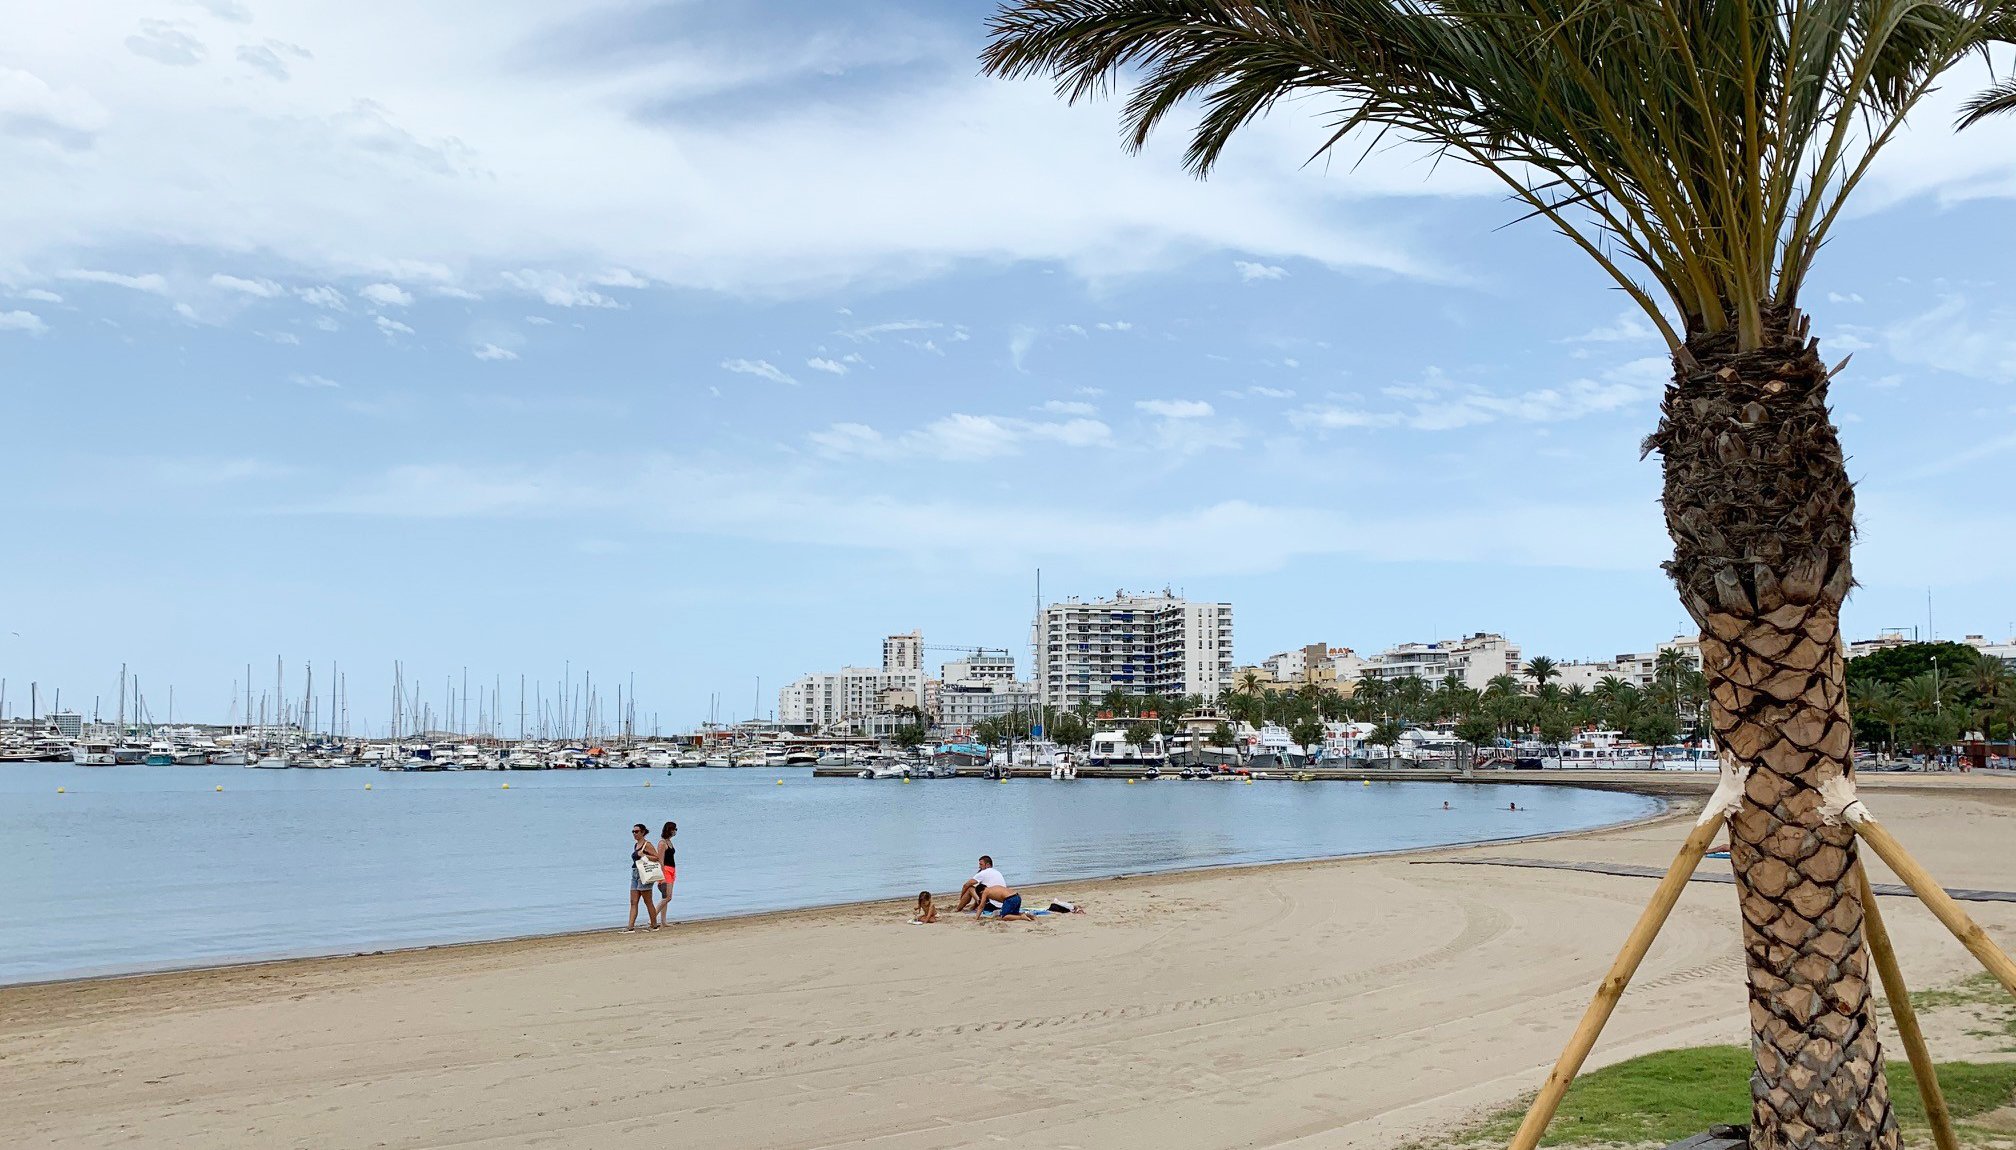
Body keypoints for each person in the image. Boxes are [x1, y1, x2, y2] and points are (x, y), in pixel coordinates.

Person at [628, 823, 662, 932]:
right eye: (633, 832)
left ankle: (654, 925)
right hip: (635, 873)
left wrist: (645, 855)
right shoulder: (636, 845)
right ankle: (630, 927)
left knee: (648, 901)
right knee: (633, 901)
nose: (634, 834)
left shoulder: (647, 844)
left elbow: (656, 857)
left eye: (636, 831)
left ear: (643, 832)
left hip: (645, 873)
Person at [656, 821, 678, 920]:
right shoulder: (662, 843)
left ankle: (663, 921)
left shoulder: (669, 841)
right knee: (667, 897)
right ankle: (652, 917)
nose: (675, 831)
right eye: (674, 829)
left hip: (672, 870)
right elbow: (660, 860)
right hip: (665, 871)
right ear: (670, 830)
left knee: (666, 897)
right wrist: (662, 876)